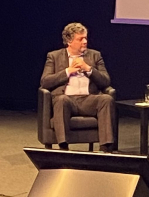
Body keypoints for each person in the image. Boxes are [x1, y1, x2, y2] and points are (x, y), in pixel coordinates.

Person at [40, 22, 115, 152]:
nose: (85, 41)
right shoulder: (54, 56)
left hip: (88, 100)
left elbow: (105, 81)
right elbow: (45, 82)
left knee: (106, 99)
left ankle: (105, 148)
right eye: (80, 39)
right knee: (61, 100)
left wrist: (89, 69)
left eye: (85, 38)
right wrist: (68, 71)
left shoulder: (95, 55)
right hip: (67, 100)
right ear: (69, 41)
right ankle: (63, 147)